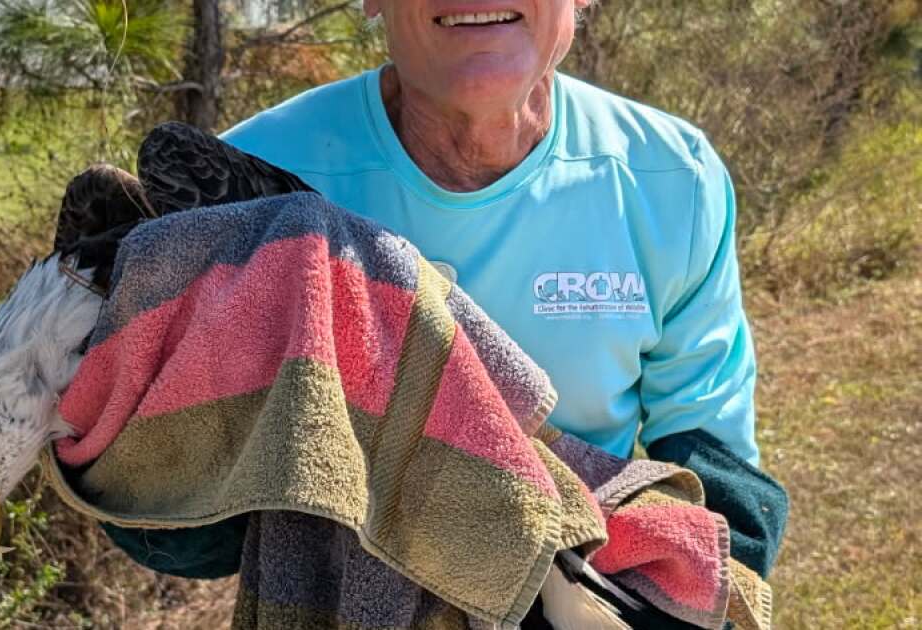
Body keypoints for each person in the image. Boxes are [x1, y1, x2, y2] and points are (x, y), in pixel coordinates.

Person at [103, 0, 789, 621]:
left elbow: (713, 461)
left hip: (580, 588)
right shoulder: (255, 175)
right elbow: (195, 527)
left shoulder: (670, 180)